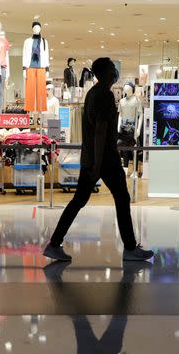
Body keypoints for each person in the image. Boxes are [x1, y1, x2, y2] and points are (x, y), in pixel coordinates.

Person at [44, 57, 153, 262]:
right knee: (120, 198)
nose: (115, 72)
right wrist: (97, 163)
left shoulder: (94, 94)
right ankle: (129, 248)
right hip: (104, 160)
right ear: (103, 73)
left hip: (94, 158)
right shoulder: (103, 95)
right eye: (112, 69)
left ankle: (55, 243)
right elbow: (100, 132)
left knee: (81, 200)